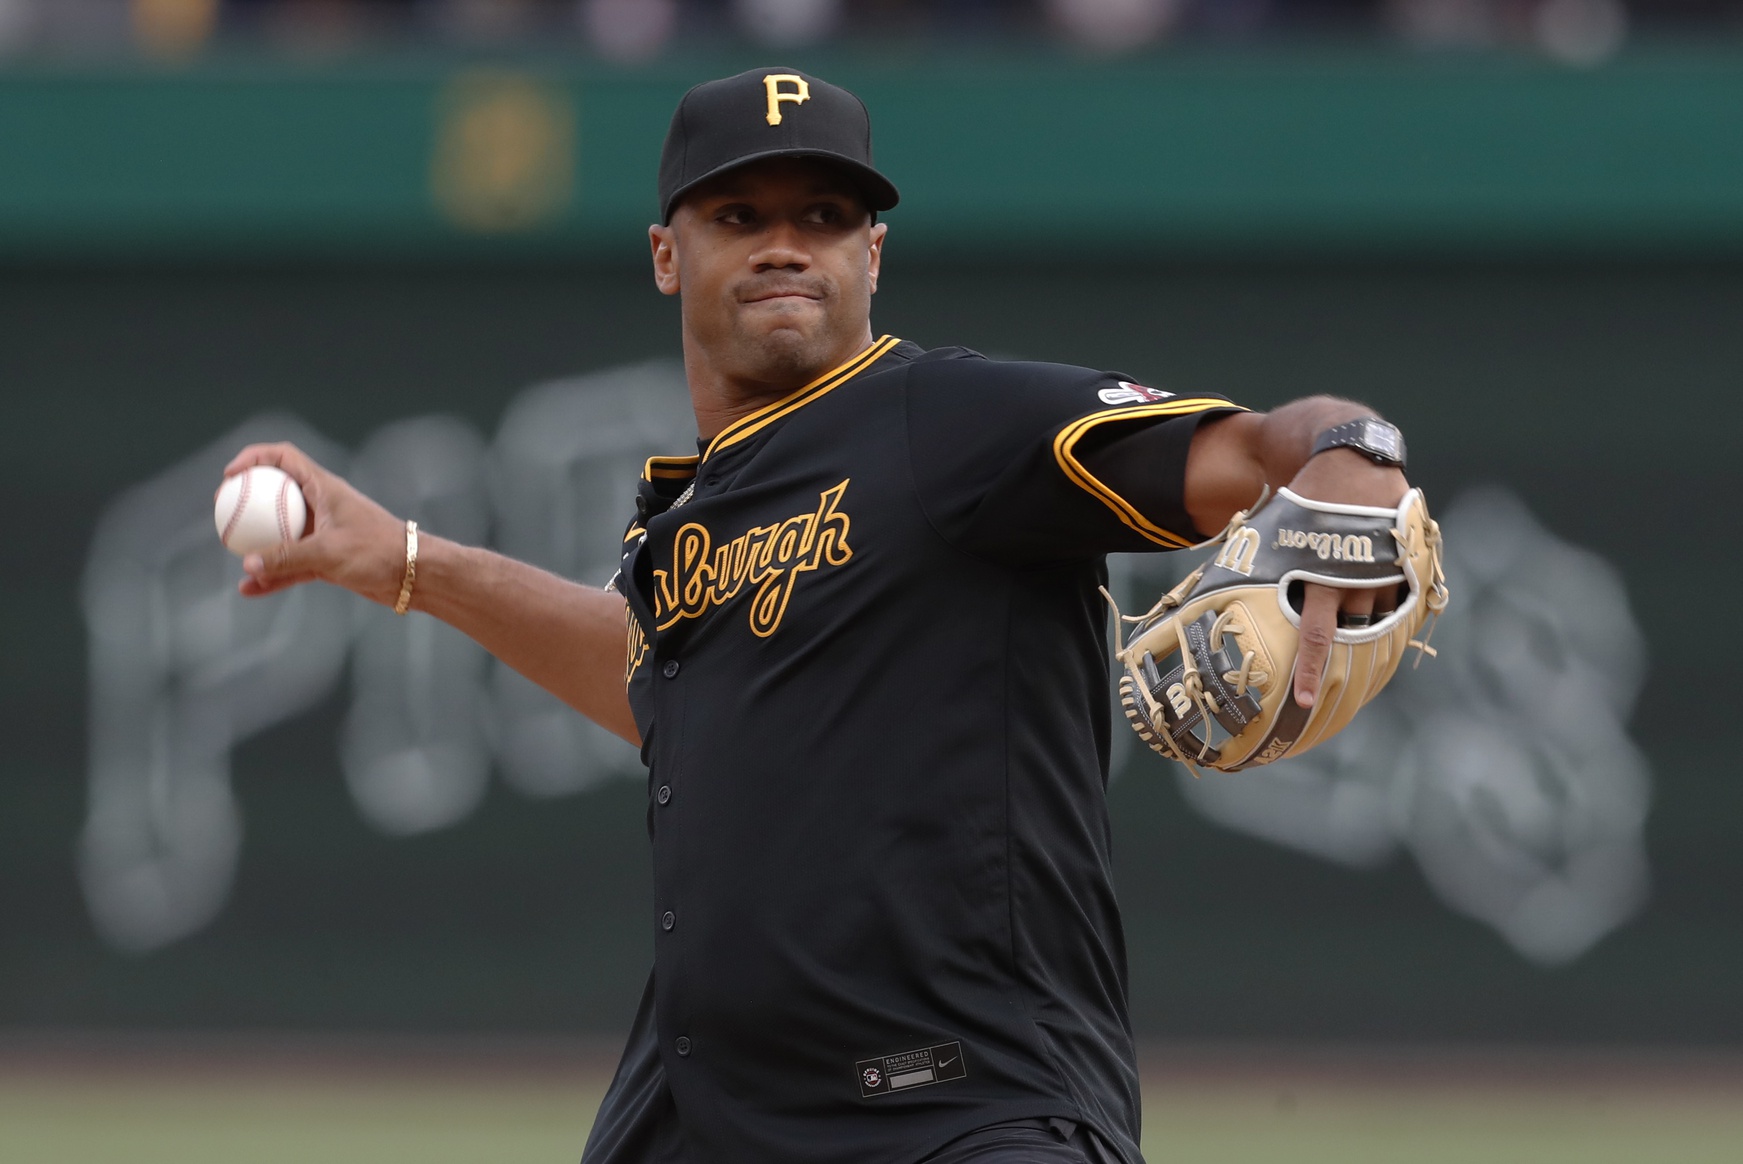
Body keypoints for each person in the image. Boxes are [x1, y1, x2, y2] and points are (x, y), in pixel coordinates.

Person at [225, 68, 1411, 1164]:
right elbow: (656, 688)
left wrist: (1352, 452)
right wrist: (407, 562)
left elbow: (1259, 444)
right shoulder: (692, 523)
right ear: (664, 256)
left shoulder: (947, 421)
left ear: (874, 256)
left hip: (963, 1110)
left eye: (825, 217)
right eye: (740, 217)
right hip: (710, 1111)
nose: (787, 246)